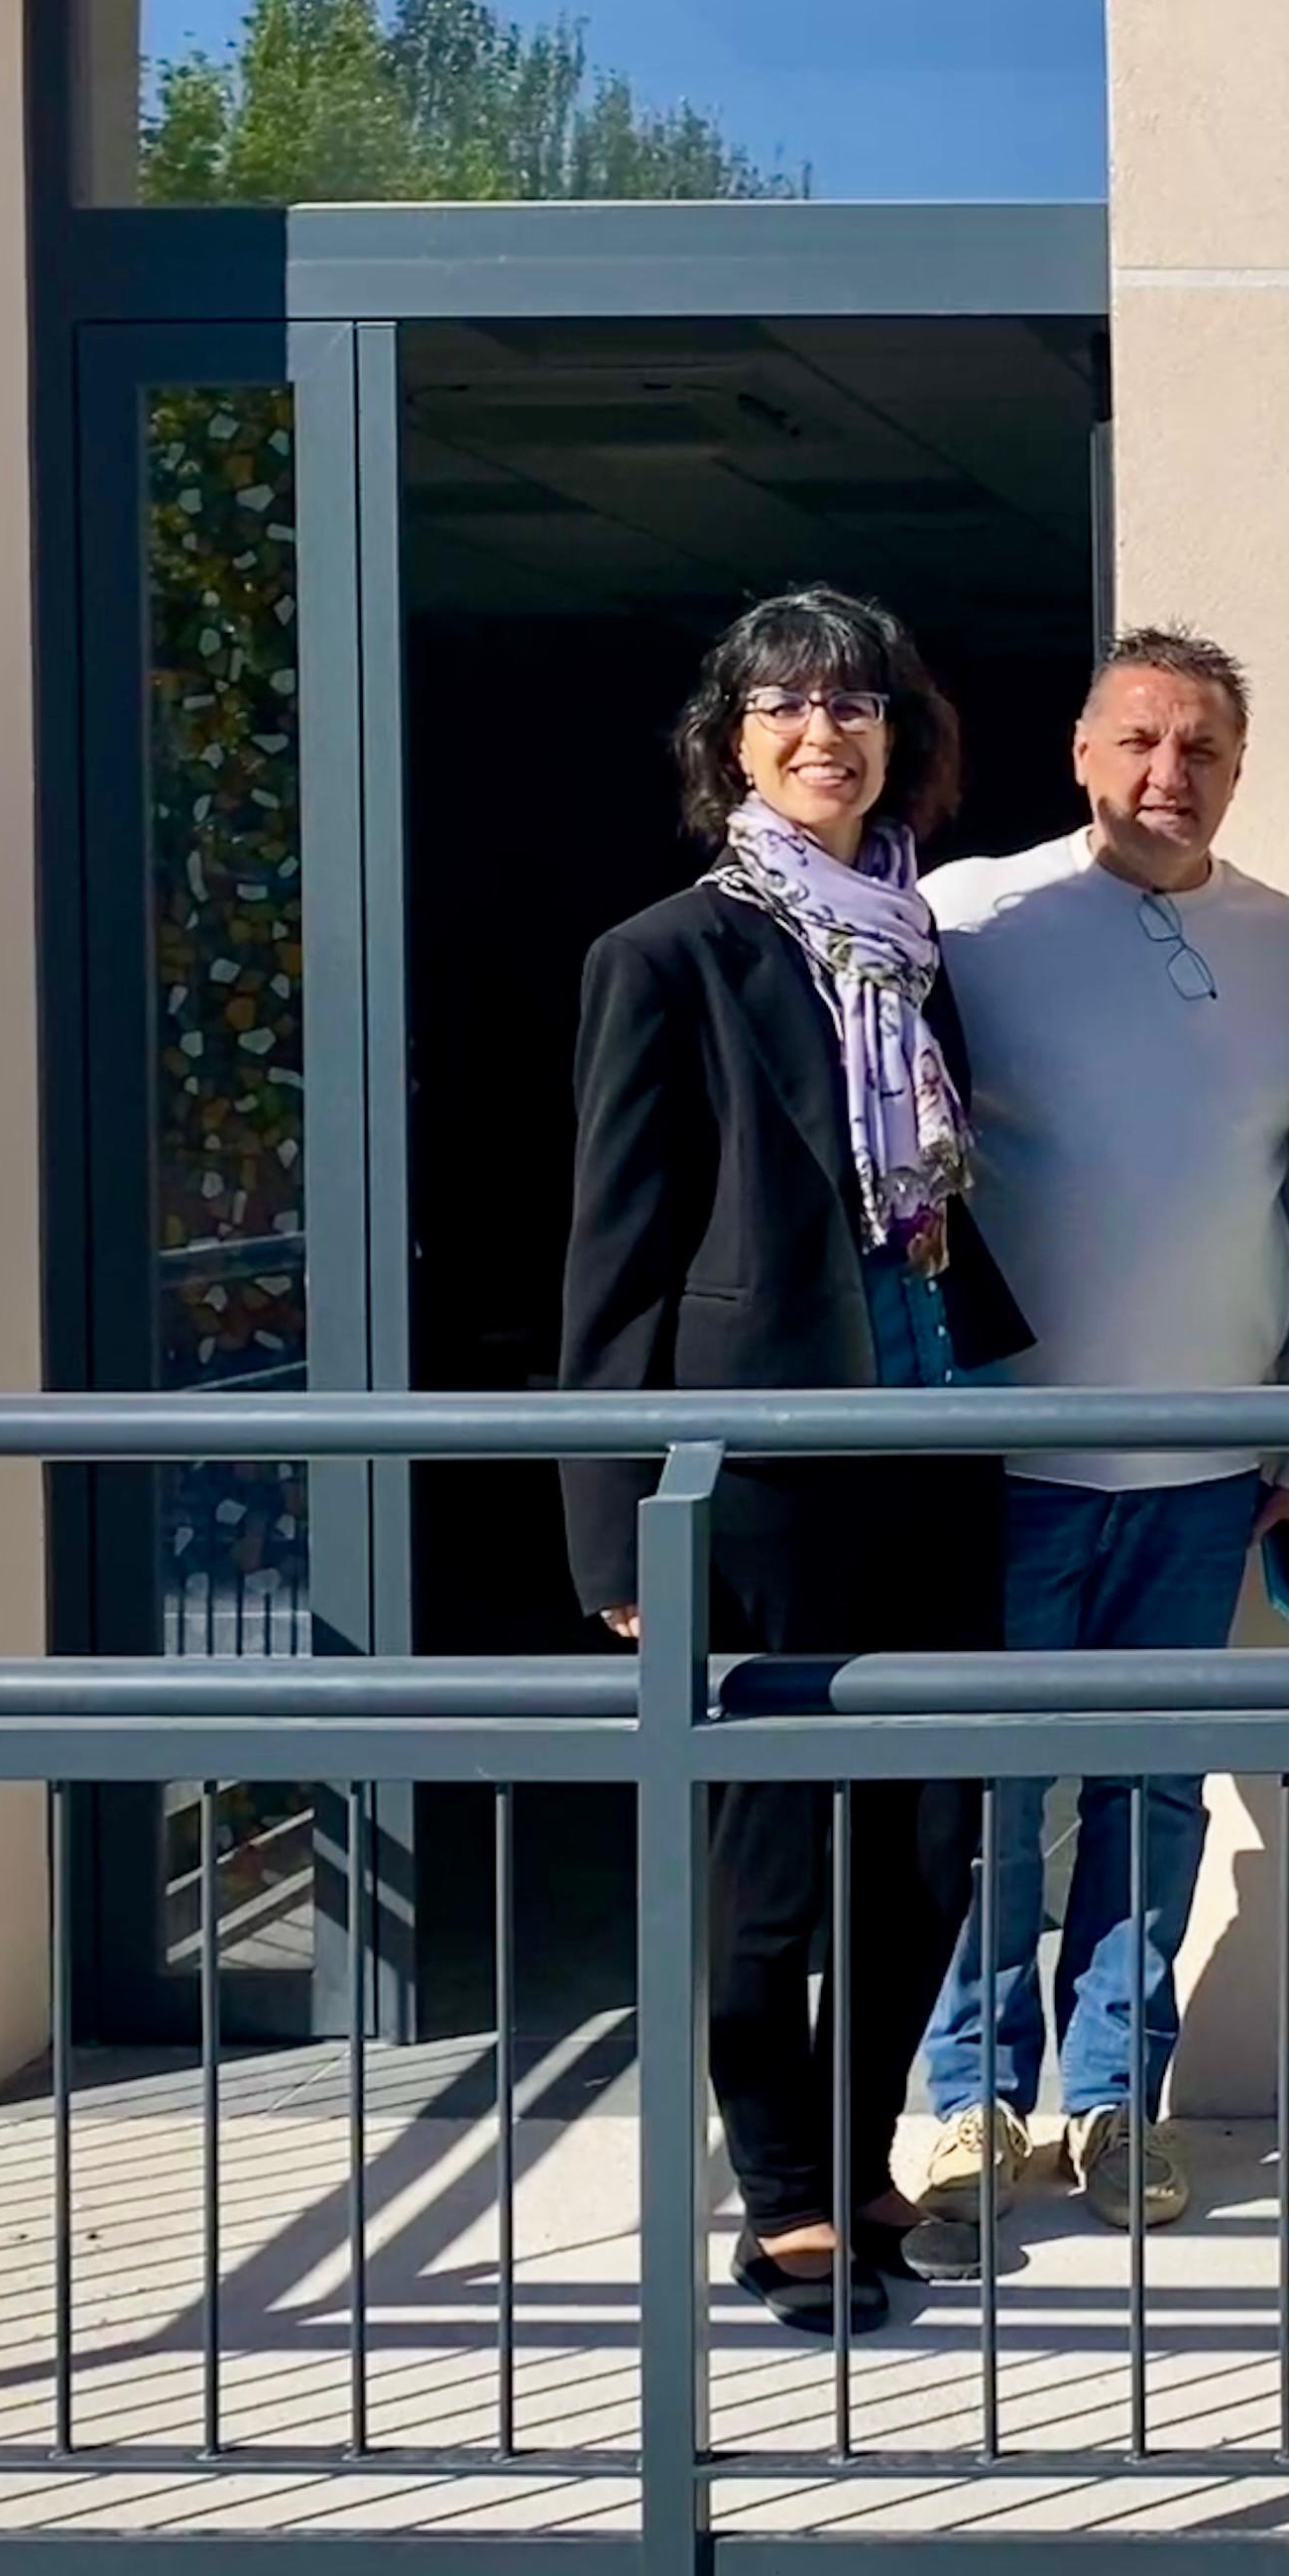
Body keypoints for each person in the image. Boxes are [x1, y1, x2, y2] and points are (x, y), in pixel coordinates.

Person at [556, 586, 1026, 2336]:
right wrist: (613, 1524)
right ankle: (781, 2197)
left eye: (856, 705)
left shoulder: (910, 945)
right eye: (784, 707)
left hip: (929, 1443)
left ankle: (856, 2151)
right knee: (767, 1864)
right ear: (730, 741)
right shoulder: (667, 954)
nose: (824, 733)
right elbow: (614, 1255)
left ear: (898, 736)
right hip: (756, 1473)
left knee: (926, 1847)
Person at [898, 629, 1289, 2242]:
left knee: (1157, 1798)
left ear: (1241, 765)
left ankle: (1112, 2102)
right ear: (1082, 753)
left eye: (1204, 748)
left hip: (1207, 1463)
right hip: (1013, 1457)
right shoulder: (970, 917)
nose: (1170, 775)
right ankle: (965, 2101)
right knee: (998, 1800)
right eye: (1140, 741)